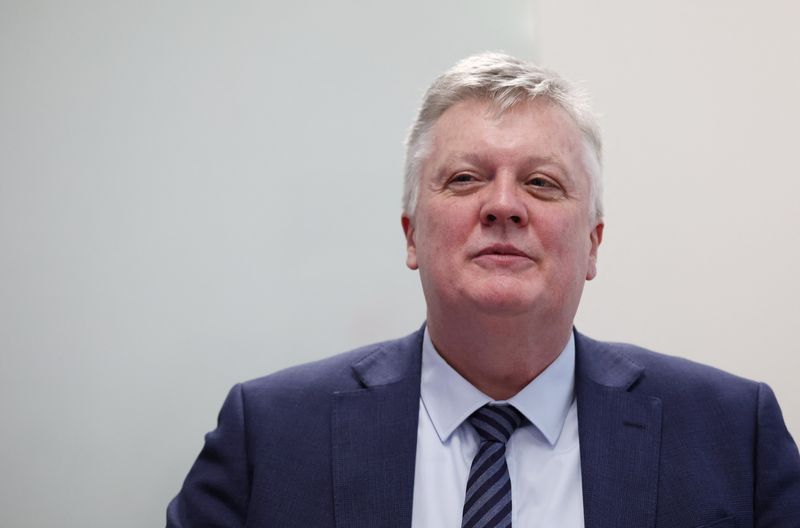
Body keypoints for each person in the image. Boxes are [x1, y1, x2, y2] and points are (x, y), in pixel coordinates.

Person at [167, 52, 800, 527]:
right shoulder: (269, 436)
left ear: (593, 246)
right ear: (412, 236)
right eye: (466, 178)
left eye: (543, 184)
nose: (504, 206)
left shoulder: (733, 435)